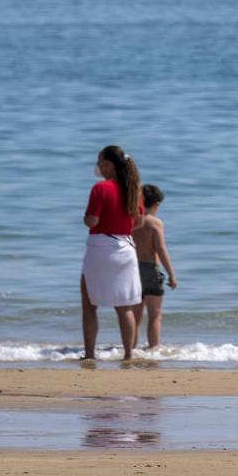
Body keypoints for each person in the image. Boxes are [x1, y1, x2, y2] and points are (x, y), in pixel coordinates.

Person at [81, 144, 146, 362]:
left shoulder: (100, 189)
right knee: (124, 307)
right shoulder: (135, 189)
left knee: (90, 304)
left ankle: (90, 354)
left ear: (109, 165)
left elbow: (92, 220)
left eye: (101, 162)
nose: (98, 166)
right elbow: (140, 222)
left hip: (100, 247)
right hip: (125, 249)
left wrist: (87, 219)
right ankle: (128, 354)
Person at [130, 184, 178, 351]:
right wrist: (171, 274)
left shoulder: (132, 221)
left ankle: (131, 349)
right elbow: (161, 249)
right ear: (156, 204)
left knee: (134, 316)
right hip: (150, 270)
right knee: (155, 315)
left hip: (133, 271)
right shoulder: (155, 223)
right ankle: (154, 348)